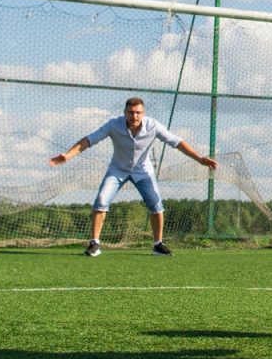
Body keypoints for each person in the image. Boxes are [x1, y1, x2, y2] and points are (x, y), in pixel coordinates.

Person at [50, 96, 217, 257]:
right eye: (131, 112)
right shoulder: (113, 125)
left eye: (138, 112)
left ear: (143, 113)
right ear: (125, 113)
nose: (134, 116)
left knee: (156, 204)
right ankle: (94, 243)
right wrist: (68, 155)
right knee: (101, 200)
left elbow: (176, 142)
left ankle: (158, 244)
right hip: (117, 169)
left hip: (143, 171)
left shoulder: (153, 125)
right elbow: (89, 140)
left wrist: (199, 158)